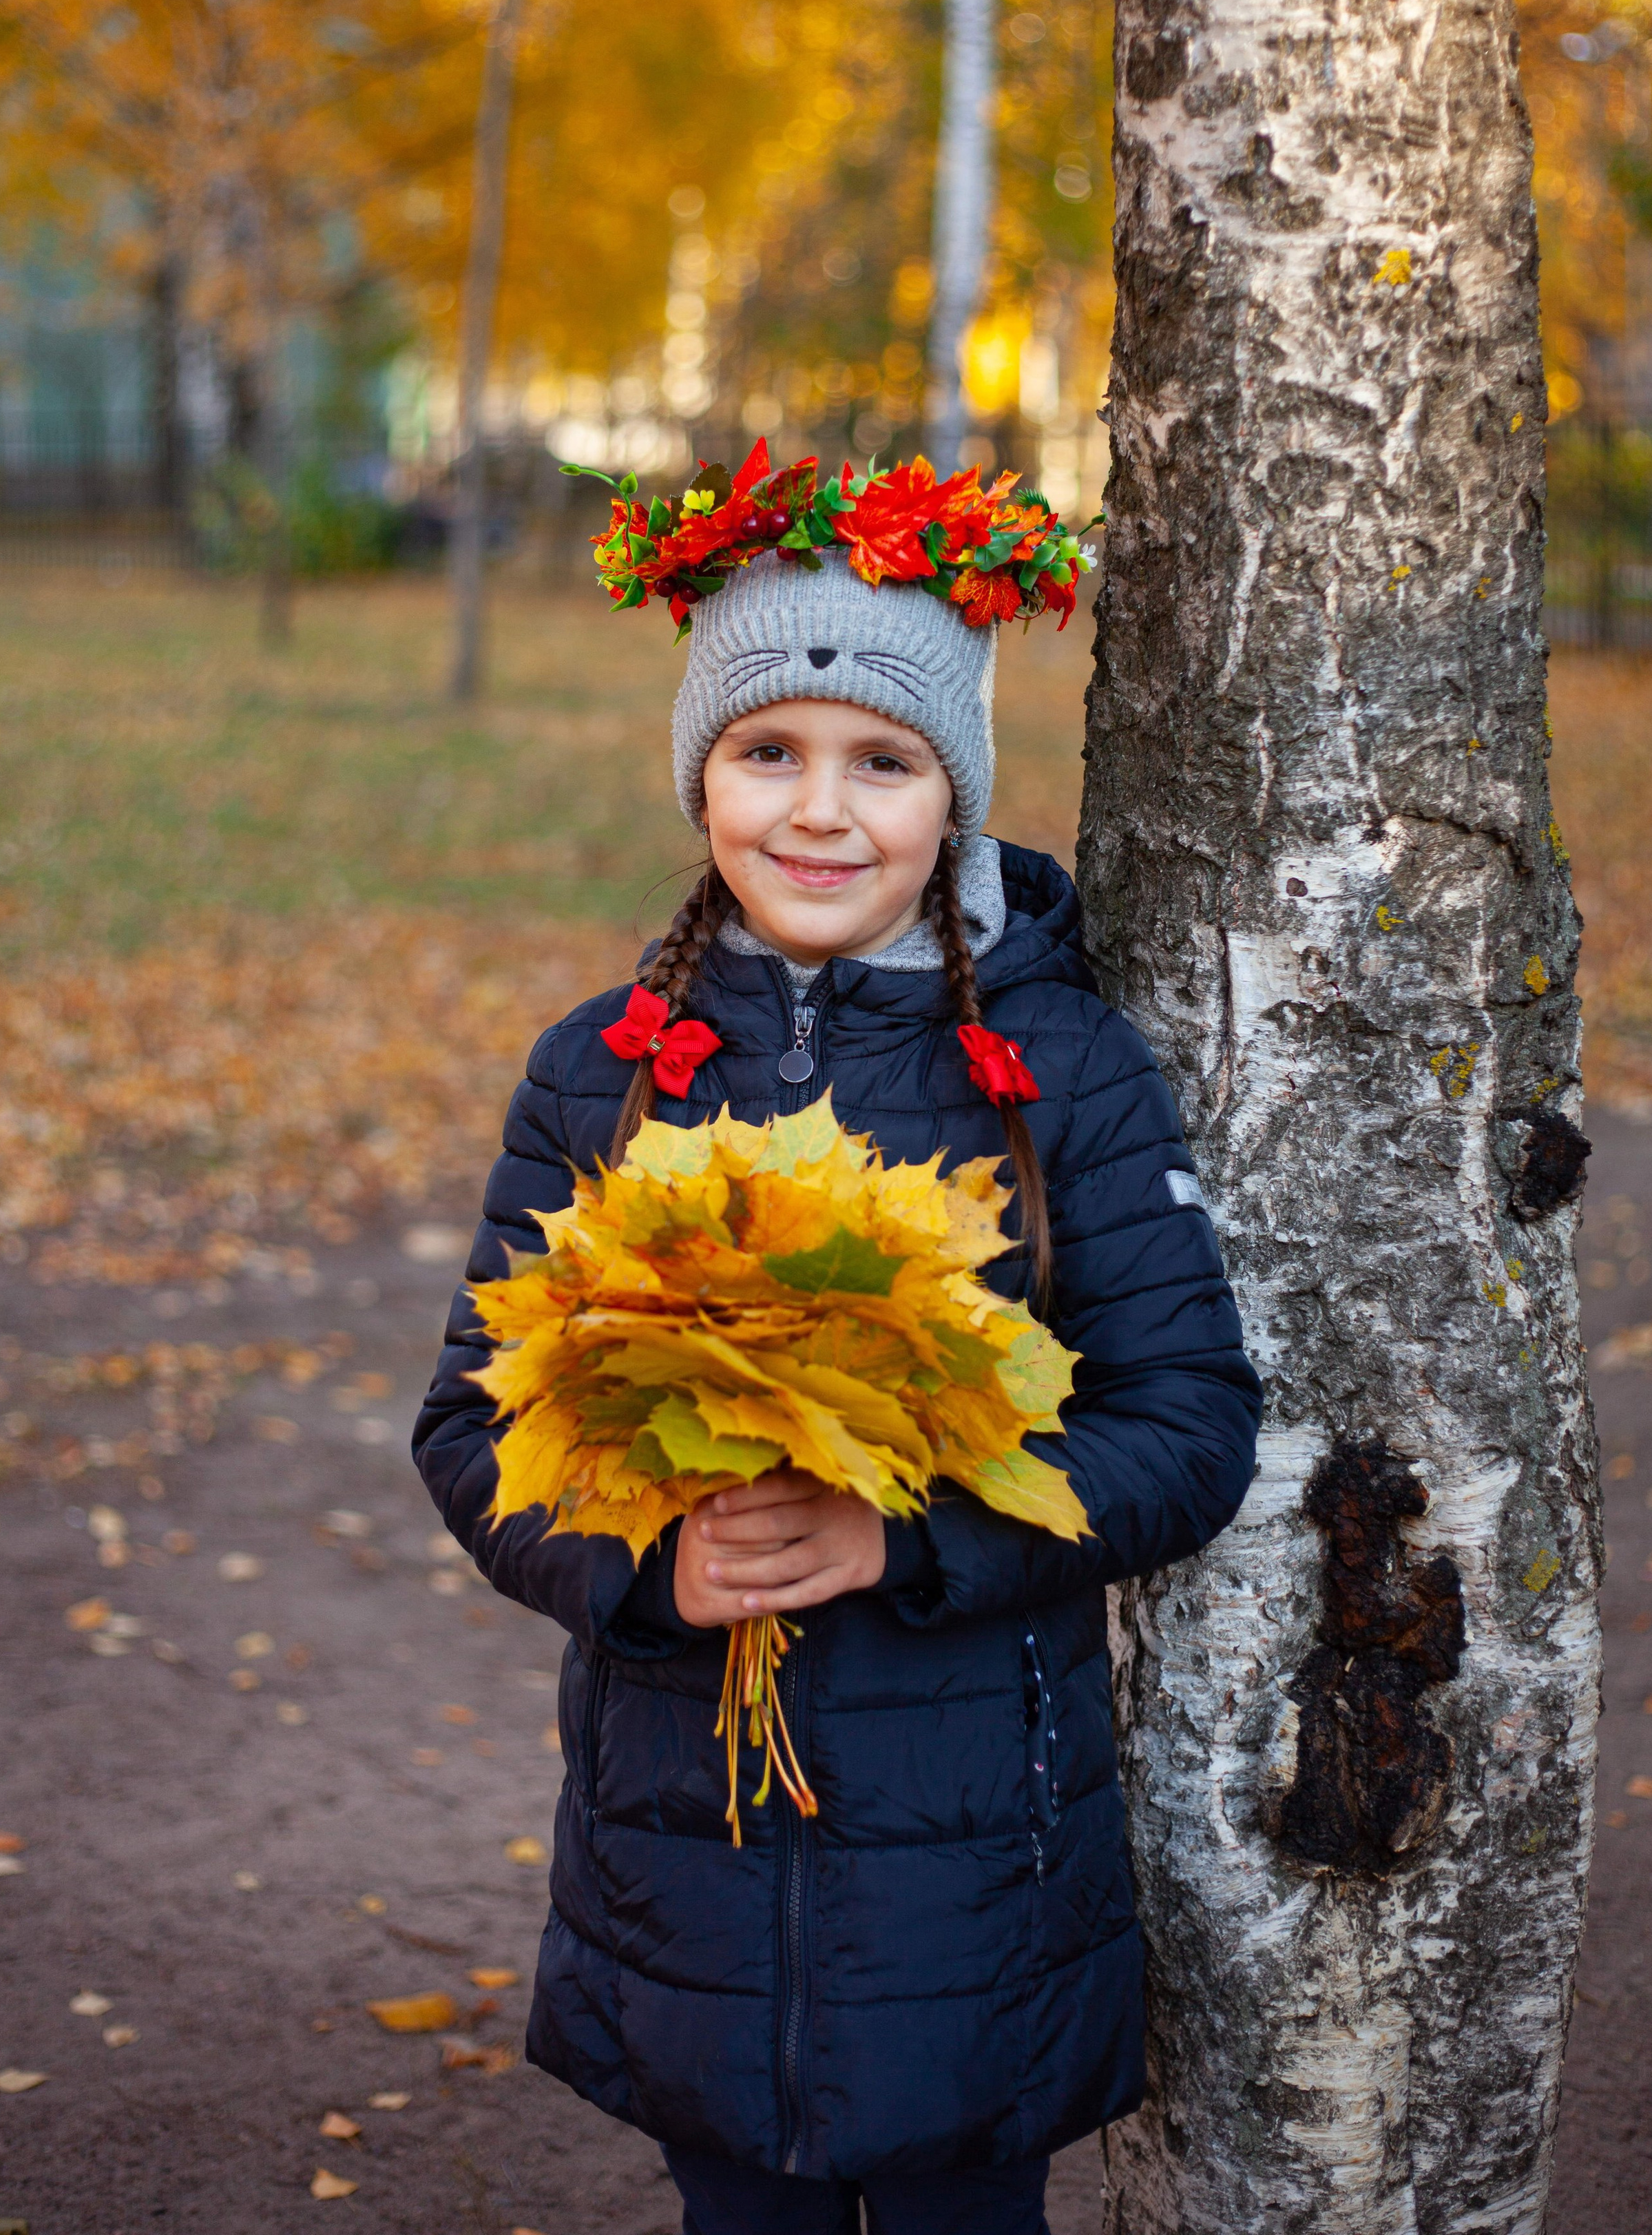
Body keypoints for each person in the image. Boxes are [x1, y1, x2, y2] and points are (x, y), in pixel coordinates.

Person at [414, 446, 1262, 2235]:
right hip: (687, 1843)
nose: (820, 811)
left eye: (882, 762)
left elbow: (1186, 1423)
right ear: (697, 776)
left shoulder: (1067, 1076)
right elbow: (472, 1432)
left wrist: (909, 1539)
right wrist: (648, 1568)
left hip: (980, 1860)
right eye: (765, 752)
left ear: (951, 794)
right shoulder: (603, 1070)